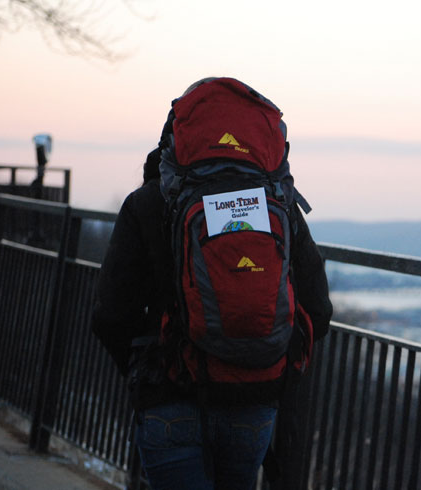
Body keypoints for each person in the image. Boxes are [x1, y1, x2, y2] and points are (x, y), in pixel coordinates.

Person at [92, 80, 332, 490]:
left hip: (169, 398)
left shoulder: (149, 203)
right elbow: (319, 312)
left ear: (176, 139)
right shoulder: (278, 207)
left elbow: (110, 316)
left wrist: (144, 369)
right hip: (253, 404)